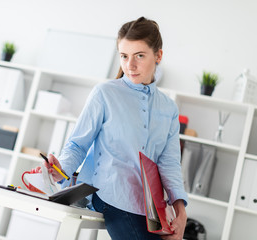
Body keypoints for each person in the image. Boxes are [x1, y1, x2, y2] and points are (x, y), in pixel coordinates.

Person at [33, 16, 188, 240]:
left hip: (152, 210)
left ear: (158, 56)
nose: (130, 65)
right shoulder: (105, 93)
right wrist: (59, 171)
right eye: (124, 56)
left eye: (140, 56)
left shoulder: (169, 108)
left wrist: (180, 211)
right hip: (111, 197)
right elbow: (78, 144)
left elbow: (170, 163)